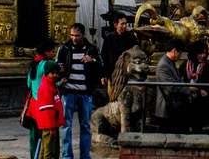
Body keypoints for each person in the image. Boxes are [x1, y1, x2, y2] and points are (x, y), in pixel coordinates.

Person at [56, 23, 102, 159]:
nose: (74, 38)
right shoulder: (64, 49)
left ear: (83, 35)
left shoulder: (92, 49)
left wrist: (92, 60)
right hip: (68, 92)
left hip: (85, 93)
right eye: (72, 35)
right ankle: (67, 156)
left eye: (77, 35)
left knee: (85, 126)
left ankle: (85, 156)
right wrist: (61, 74)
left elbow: (101, 66)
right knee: (66, 125)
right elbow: (56, 67)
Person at [27, 39, 62, 159]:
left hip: (33, 105)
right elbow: (52, 82)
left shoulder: (33, 64)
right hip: (46, 104)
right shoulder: (47, 64)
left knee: (35, 136)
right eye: (52, 51)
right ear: (46, 52)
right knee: (49, 137)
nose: (54, 54)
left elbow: (28, 84)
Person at [154, 39, 187, 133]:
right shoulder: (164, 65)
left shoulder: (169, 62)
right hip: (166, 108)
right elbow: (170, 87)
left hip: (172, 106)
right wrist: (188, 89)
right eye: (180, 53)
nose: (180, 56)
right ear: (174, 51)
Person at [100, 13, 137, 90]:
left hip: (127, 74)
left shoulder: (131, 38)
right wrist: (104, 75)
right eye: (122, 24)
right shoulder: (109, 38)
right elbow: (104, 57)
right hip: (112, 73)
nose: (125, 26)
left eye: (126, 23)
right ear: (115, 25)